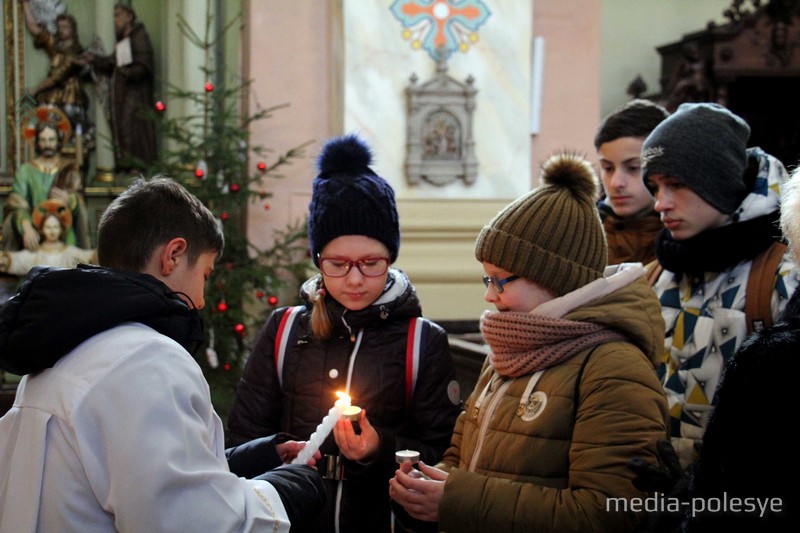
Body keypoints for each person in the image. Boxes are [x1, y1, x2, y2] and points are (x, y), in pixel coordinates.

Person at [0, 177, 325, 532]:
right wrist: (283, 492)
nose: (200, 301)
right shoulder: (147, 360)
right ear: (172, 255)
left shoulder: (63, 348)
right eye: (204, 274)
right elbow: (190, 521)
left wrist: (251, 459)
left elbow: (133, 479)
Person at [389, 152, 669, 532]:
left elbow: (608, 512)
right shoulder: (511, 347)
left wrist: (457, 499)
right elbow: (462, 456)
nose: (490, 296)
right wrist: (426, 489)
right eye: (486, 280)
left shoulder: (613, 368)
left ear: (554, 275)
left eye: (500, 280)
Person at [225, 134, 462, 533]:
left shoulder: (422, 342)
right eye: (337, 263)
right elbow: (242, 441)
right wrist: (276, 450)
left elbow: (444, 453)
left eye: (371, 263)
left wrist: (377, 448)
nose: (354, 279)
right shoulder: (285, 330)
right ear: (317, 259)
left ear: (391, 257)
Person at [640, 102, 799, 471]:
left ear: (721, 181)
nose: (660, 203)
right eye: (655, 186)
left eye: (676, 184)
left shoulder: (782, 275)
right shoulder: (658, 273)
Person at [594, 98, 669, 265]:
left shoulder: (684, 240)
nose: (616, 183)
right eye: (608, 168)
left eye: (634, 168)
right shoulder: (581, 237)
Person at [84, 3, 157, 173]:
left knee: (131, 128)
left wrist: (128, 72)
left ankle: (136, 165)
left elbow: (145, 65)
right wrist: (93, 59)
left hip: (136, 96)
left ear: (129, 16)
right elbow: (113, 62)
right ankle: (126, 163)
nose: (115, 20)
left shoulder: (139, 36)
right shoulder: (125, 40)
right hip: (124, 96)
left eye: (117, 15)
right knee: (123, 129)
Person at [3, 121, 87, 251]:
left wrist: (69, 199)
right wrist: (26, 226)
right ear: (37, 142)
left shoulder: (69, 169)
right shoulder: (26, 171)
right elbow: (17, 203)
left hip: (64, 233)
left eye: (51, 139)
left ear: (58, 141)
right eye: (43, 140)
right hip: (35, 233)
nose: (47, 144)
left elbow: (80, 202)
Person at [18, 0, 94, 142]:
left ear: (73, 29)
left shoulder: (74, 51)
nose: (61, 30)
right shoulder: (56, 45)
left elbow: (57, 76)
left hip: (70, 94)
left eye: (65, 27)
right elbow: (35, 29)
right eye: (59, 27)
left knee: (70, 123)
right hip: (53, 93)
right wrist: (26, 5)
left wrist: (35, 89)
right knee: (47, 116)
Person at [0, 198, 95, 275]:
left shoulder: (70, 252)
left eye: (55, 227)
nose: (52, 231)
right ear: (42, 229)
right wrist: (5, 260)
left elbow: (87, 257)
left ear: (61, 229)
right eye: (48, 227)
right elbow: (19, 260)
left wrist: (95, 256)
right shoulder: (36, 254)